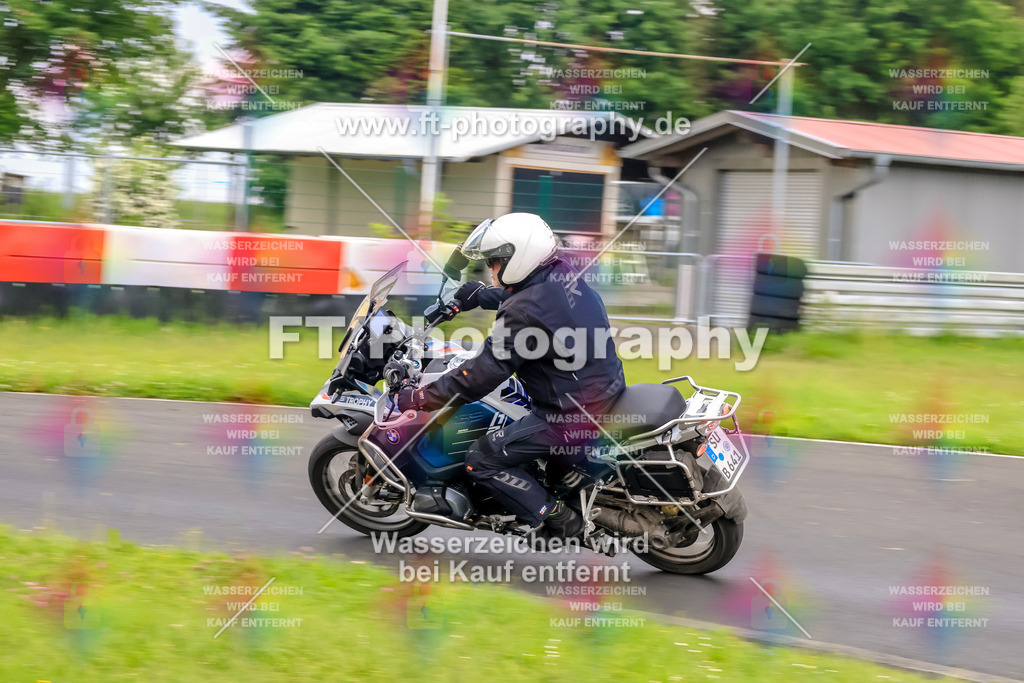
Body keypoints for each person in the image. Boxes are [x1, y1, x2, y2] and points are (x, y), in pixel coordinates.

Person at [396, 213, 626, 537]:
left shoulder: (521, 312)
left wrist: (421, 396)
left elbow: (481, 375)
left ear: (517, 259)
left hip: (571, 411)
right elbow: (533, 298)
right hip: (603, 384)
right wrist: (476, 297)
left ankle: (559, 519)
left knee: (481, 459)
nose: (490, 269)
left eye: (494, 261)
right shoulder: (562, 273)